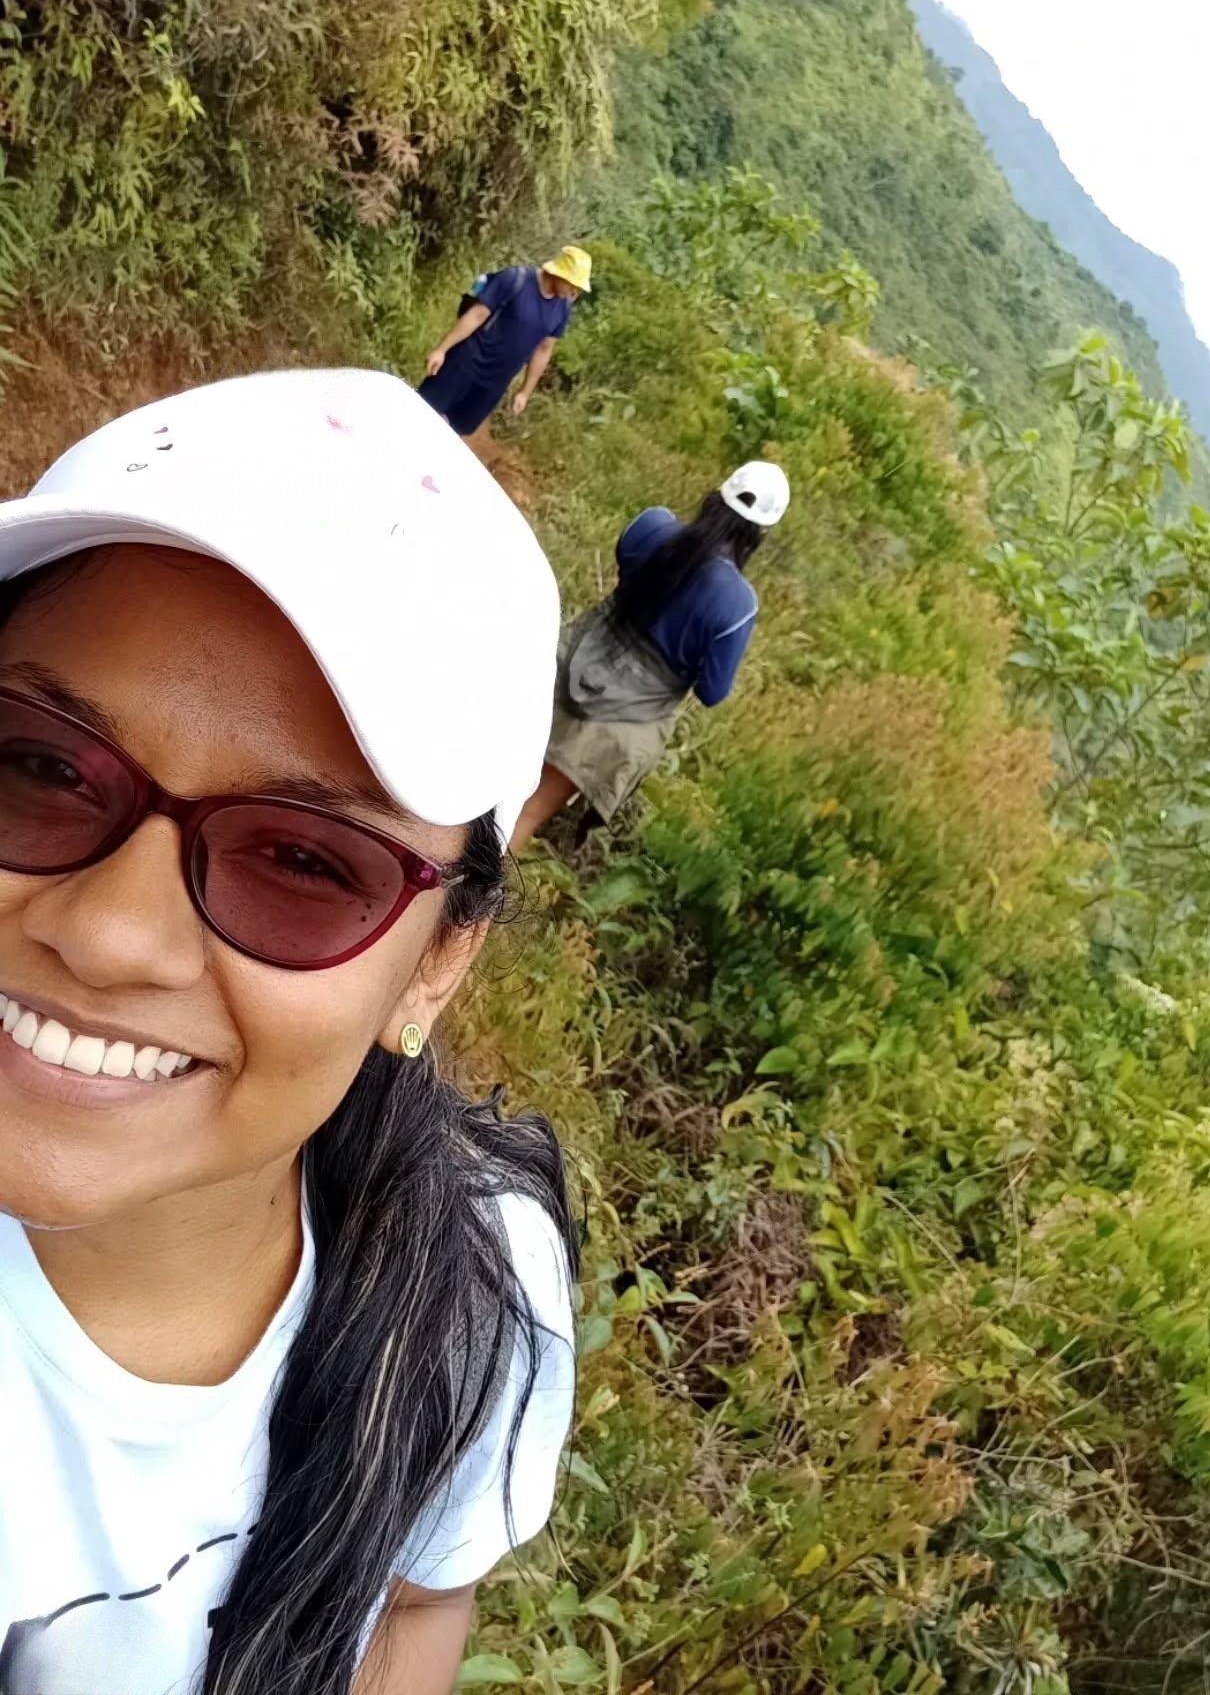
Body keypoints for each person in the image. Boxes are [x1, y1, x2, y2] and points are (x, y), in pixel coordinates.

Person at [0, 369, 575, 1695]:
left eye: (307, 864)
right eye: (39, 766)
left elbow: (413, 1601)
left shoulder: (471, 1288)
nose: (112, 934)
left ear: (439, 965)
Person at [510, 461, 790, 852]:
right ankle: (464, 891)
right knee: (527, 812)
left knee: (493, 769)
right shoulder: (738, 606)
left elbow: (625, 560)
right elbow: (712, 691)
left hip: (568, 661)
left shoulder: (653, 526)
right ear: (760, 533)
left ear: (717, 495)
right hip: (620, 721)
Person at [417, 246, 592, 438]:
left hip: (495, 383)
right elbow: (477, 315)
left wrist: (524, 392)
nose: (574, 291)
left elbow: (544, 349)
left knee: (454, 431)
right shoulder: (515, 279)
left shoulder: (563, 309)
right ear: (559, 274)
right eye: (572, 284)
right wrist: (441, 350)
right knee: (423, 412)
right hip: (464, 363)